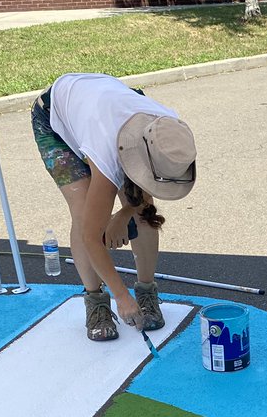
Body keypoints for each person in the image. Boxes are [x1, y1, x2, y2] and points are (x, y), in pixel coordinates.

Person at [32, 73, 197, 341]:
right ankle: (96, 302)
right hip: (55, 114)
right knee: (83, 208)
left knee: (144, 207)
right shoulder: (107, 156)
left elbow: (146, 187)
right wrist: (121, 295)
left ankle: (146, 292)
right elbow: (90, 236)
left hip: (106, 109)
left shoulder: (170, 133)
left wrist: (124, 213)